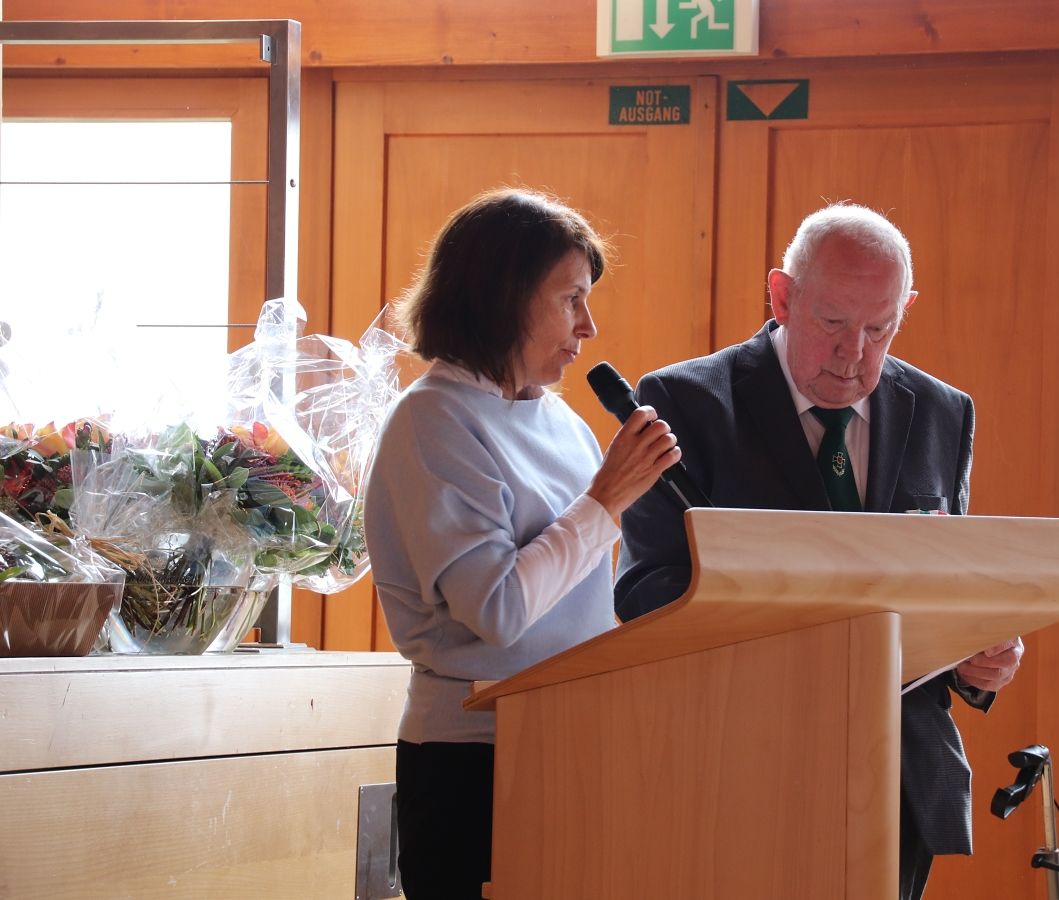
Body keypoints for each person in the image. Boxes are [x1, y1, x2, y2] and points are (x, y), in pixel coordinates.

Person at [614, 201, 1023, 899]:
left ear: (905, 310)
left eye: (879, 329)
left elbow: (949, 584)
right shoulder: (686, 402)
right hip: (741, 762)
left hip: (898, 775)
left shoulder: (943, 412)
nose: (853, 354)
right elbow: (645, 589)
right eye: (833, 322)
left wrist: (978, 656)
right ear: (782, 297)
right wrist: (799, 613)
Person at [365, 188, 681, 899]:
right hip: (473, 761)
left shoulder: (564, 422)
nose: (589, 326)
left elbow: (580, 604)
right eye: (571, 299)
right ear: (502, 296)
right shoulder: (432, 421)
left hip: (576, 742)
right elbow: (500, 611)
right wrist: (605, 502)